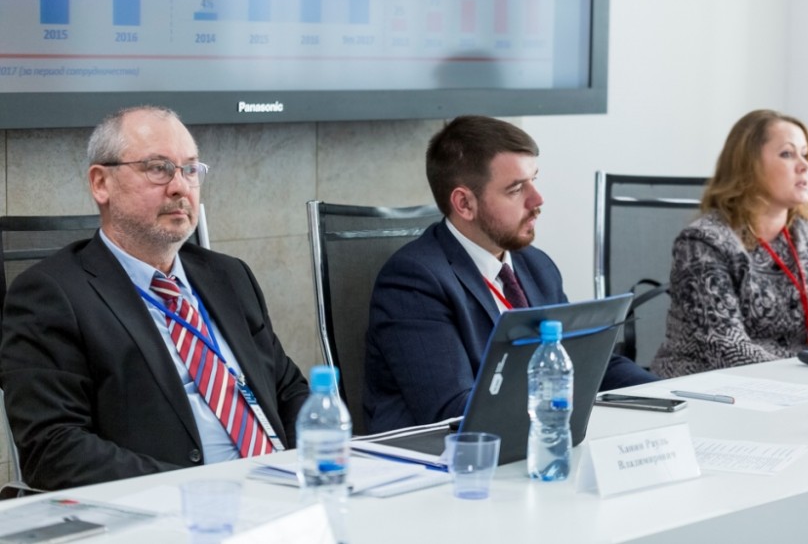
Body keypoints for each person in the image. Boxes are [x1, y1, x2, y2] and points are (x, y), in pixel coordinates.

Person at [0, 106, 309, 490]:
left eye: (190, 169)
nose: (180, 187)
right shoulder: (51, 295)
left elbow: (289, 390)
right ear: (101, 183)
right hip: (177, 506)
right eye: (158, 169)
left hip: (287, 491)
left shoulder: (228, 276)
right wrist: (195, 488)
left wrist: (320, 459)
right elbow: (53, 449)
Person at [364, 115, 658, 433]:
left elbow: (587, 362)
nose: (538, 199)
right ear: (464, 203)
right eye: (516, 189)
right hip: (447, 455)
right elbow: (452, 411)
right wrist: (561, 403)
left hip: (531, 439)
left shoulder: (537, 266)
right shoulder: (414, 281)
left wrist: (666, 394)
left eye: (534, 180)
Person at [649, 110, 808, 378]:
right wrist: (805, 376)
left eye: (805, 154)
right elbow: (726, 349)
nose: (805, 165)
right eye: (787, 154)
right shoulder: (704, 241)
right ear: (748, 165)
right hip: (704, 388)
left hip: (791, 386)